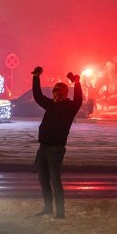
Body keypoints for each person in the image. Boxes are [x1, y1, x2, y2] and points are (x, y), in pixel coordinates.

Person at [31, 66, 83, 219]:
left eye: (58, 92)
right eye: (54, 92)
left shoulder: (69, 107)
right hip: (44, 147)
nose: (55, 94)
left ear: (64, 93)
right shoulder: (51, 105)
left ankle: (60, 212)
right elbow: (38, 96)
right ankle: (48, 208)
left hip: (56, 149)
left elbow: (79, 100)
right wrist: (36, 78)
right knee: (43, 179)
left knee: (55, 180)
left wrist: (77, 83)